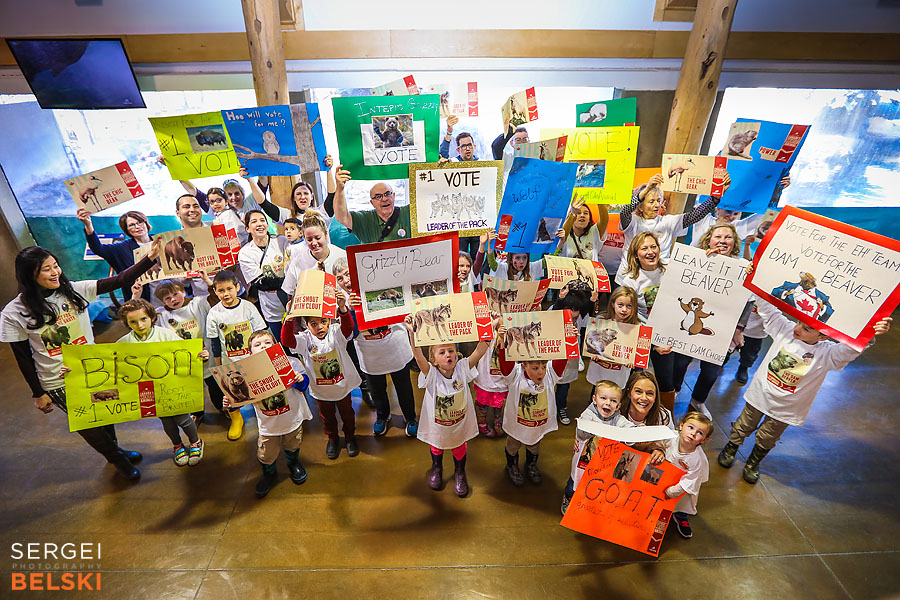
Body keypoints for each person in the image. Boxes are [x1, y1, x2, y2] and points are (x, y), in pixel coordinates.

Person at [1, 241, 162, 480]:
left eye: (56, 266)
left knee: (106, 412)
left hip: (94, 368)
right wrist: (38, 393)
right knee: (88, 424)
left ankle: (115, 451)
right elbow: (22, 357)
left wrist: (149, 259)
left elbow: (118, 280)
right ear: (29, 275)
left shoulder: (74, 290)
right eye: (46, 269)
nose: (55, 272)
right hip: (59, 380)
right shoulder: (14, 312)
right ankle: (117, 459)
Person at [718, 283, 892, 484]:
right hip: (760, 395)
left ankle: (753, 462)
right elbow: (767, 308)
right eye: (799, 323)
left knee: (768, 437)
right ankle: (731, 448)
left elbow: (851, 350)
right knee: (743, 425)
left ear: (823, 335)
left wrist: (870, 334)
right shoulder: (785, 329)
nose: (798, 328)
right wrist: (758, 278)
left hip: (787, 408)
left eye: (807, 329)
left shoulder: (828, 353)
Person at [404, 314, 492, 497]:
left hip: (459, 424)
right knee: (437, 446)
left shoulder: (463, 368)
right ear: (434, 360)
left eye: (451, 351)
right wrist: (412, 335)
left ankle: (460, 472)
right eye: (442, 353)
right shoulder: (431, 374)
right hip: (438, 425)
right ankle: (437, 467)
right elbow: (419, 357)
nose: (448, 355)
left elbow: (480, 350)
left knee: (459, 446)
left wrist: (488, 326)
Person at [671, 223, 752, 419]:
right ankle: (672, 393)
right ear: (709, 239)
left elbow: (748, 302)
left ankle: (697, 401)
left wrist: (739, 329)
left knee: (710, 373)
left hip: (721, 332)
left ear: (735, 242)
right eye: (718, 237)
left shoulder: (743, 266)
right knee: (680, 364)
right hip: (690, 327)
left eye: (728, 237)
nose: (723, 241)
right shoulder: (697, 260)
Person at [116, 299, 206, 467]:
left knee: (183, 418)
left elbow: (185, 352)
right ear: (126, 323)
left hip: (172, 385)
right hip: (148, 390)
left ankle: (195, 441)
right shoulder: (124, 342)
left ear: (151, 317)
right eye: (133, 322)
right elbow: (112, 363)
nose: (140, 325)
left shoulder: (165, 334)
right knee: (166, 420)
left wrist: (199, 355)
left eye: (143, 319)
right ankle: (177, 444)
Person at [223, 330, 313, 498]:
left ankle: (293, 463)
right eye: (257, 345)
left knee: (293, 444)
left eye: (267, 342)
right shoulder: (245, 374)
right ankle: (269, 474)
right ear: (250, 353)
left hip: (291, 418)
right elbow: (238, 402)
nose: (263, 346)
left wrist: (300, 380)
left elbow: (304, 386)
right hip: (267, 425)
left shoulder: (290, 363)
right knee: (266, 454)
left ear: (276, 346)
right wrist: (230, 404)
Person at [281, 293, 362, 460]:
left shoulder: (335, 332)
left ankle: (350, 437)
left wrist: (342, 308)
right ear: (306, 325)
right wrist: (289, 317)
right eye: (314, 324)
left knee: (347, 414)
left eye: (323, 322)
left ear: (329, 321)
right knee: (327, 416)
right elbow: (287, 341)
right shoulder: (305, 339)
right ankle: (332, 438)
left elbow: (348, 329)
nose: (320, 327)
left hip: (342, 387)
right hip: (321, 390)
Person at [616, 172, 730, 284]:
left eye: (658, 201)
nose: (657, 205)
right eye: (651, 201)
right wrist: (648, 188)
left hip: (657, 282)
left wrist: (715, 198)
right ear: (640, 206)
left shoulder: (668, 221)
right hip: (629, 279)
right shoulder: (633, 222)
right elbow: (625, 212)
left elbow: (694, 216)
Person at [496, 323, 568, 487]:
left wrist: (567, 341)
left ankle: (531, 465)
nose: (540, 372)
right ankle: (511, 466)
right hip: (517, 423)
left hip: (537, 423)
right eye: (535, 368)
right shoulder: (515, 374)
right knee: (513, 445)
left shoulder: (550, 373)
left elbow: (560, 362)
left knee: (534, 445)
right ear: (524, 366)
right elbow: (505, 364)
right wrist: (502, 342)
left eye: (543, 366)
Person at [206, 270, 268, 441]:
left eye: (229, 289)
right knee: (231, 394)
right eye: (220, 290)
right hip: (229, 363)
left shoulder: (248, 307)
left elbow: (261, 333)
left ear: (237, 287)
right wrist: (219, 367)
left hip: (252, 359)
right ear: (215, 291)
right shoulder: (214, 313)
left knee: (258, 389)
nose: (226, 294)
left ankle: (264, 416)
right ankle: (236, 419)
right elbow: (215, 344)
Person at [619, 232, 677, 411]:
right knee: (635, 379)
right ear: (636, 254)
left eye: (653, 247)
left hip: (667, 335)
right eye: (644, 248)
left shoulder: (671, 270)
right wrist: (651, 344)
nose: (650, 251)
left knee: (666, 380)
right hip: (640, 335)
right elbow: (628, 315)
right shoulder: (630, 280)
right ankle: (631, 415)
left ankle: (666, 418)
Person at [154, 277, 223, 426]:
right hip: (185, 363)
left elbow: (217, 299)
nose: (173, 300)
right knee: (192, 389)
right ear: (163, 302)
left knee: (215, 387)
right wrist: (135, 295)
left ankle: (223, 409)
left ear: (184, 291)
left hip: (208, 357)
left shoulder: (197, 303)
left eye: (175, 294)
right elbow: (141, 319)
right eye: (167, 298)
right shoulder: (161, 315)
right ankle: (197, 413)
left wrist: (207, 281)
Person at [348, 291, 418, 436]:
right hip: (370, 355)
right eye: (341, 277)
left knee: (404, 388)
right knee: (377, 390)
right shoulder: (343, 300)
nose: (346, 280)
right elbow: (350, 333)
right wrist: (350, 310)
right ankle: (382, 416)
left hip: (395, 347)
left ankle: (410, 417)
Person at [561, 380, 632, 514]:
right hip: (584, 460)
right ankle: (568, 497)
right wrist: (589, 427)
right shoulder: (588, 414)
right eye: (603, 398)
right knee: (574, 483)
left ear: (618, 405)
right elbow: (581, 433)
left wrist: (635, 430)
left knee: (596, 484)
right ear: (594, 399)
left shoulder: (617, 419)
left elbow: (627, 427)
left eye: (613, 401)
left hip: (603, 462)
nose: (607, 403)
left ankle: (589, 503)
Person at [76, 208, 155, 303]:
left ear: (146, 223)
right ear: (127, 230)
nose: (137, 226)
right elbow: (98, 248)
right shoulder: (121, 248)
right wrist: (88, 225)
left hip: (167, 292)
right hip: (141, 298)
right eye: (132, 225)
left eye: (140, 222)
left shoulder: (161, 240)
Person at [238, 210, 288, 341]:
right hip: (272, 308)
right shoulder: (245, 253)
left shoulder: (281, 241)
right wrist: (289, 282)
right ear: (248, 228)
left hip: (293, 302)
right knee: (284, 345)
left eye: (262, 220)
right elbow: (261, 283)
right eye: (254, 221)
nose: (259, 224)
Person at [664, 411, 713, 539]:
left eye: (700, 433)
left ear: (704, 440)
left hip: (682, 483)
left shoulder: (697, 459)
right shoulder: (671, 438)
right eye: (690, 427)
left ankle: (681, 516)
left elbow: (689, 481)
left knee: (682, 502)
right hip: (666, 475)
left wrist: (672, 492)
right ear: (681, 425)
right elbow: (659, 445)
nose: (693, 433)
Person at [281, 210, 347, 304]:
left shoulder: (342, 255)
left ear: (326, 234)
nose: (314, 243)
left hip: (342, 311)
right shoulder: (297, 263)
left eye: (318, 238)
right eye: (309, 239)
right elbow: (290, 292)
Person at [332, 165, 411, 243]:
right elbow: (342, 217)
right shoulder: (365, 220)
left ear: (393, 196)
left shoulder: (409, 212)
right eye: (378, 197)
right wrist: (340, 188)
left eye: (387, 194)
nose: (384, 199)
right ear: (372, 203)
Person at [586, 287, 641, 389]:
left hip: (619, 375)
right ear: (612, 303)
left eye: (629, 306)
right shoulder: (601, 321)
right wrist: (593, 354)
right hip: (599, 371)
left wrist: (633, 360)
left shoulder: (637, 327)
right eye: (620, 305)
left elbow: (639, 352)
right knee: (598, 396)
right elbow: (590, 343)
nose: (624, 309)